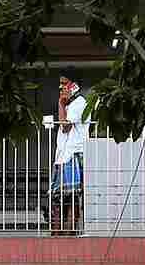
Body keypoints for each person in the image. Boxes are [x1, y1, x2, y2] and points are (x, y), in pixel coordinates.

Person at [50, 75, 89, 235]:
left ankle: (69, 233)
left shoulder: (79, 103)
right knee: (59, 196)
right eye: (60, 84)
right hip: (64, 156)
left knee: (72, 196)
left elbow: (65, 126)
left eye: (64, 84)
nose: (61, 88)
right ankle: (58, 233)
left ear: (74, 86)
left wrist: (60, 104)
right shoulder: (71, 105)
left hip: (73, 155)